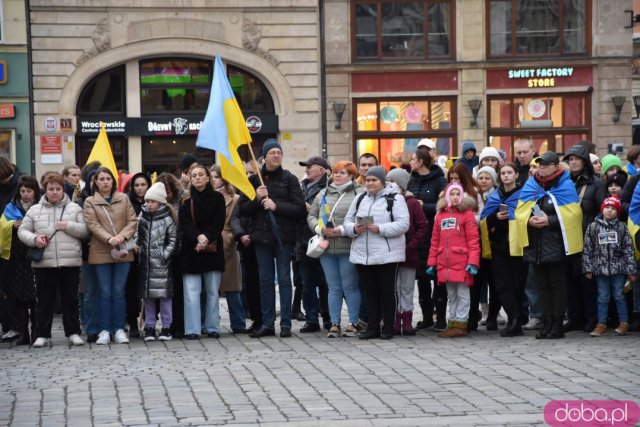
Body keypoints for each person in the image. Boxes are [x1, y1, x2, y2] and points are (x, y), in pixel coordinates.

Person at [238, 139, 306, 338]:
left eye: (279, 152)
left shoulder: (289, 179)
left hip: (283, 238)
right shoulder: (253, 181)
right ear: (264, 157)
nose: (276, 155)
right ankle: (267, 323)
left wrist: (276, 206)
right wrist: (257, 199)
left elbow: (299, 209)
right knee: (265, 281)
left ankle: (285, 323)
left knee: (284, 280)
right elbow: (243, 209)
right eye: (272, 152)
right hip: (262, 238)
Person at [515, 151, 583, 340]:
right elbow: (521, 210)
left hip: (557, 244)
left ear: (556, 166)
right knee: (542, 286)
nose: (542, 168)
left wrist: (550, 221)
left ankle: (557, 325)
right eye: (540, 165)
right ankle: (546, 323)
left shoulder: (566, 185)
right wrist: (529, 220)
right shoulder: (532, 184)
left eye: (545, 165)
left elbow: (573, 214)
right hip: (535, 245)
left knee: (557, 284)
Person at [18, 172, 88, 347]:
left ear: (63, 189)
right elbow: (23, 231)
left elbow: (85, 231)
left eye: (58, 188)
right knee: (44, 299)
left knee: (70, 299)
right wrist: (35, 239)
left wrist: (68, 226)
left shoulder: (74, 208)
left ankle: (73, 332)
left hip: (69, 260)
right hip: (44, 262)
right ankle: (42, 334)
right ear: (45, 190)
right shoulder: (35, 210)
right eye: (51, 189)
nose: (54, 192)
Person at [342, 166, 409, 340]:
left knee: (387, 291)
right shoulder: (360, 198)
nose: (370, 183)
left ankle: (388, 326)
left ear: (383, 181)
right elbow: (347, 221)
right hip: (362, 254)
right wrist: (354, 229)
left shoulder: (395, 198)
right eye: (368, 180)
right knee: (370, 292)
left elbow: (403, 224)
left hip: (387, 254)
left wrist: (380, 228)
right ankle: (372, 327)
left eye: (374, 180)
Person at [308, 160, 364, 338]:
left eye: (342, 172)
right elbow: (312, 215)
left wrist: (341, 230)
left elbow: (363, 219)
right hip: (326, 248)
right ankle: (334, 324)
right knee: (333, 287)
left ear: (351, 175)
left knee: (350, 286)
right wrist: (320, 229)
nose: (337, 175)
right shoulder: (323, 193)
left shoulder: (359, 193)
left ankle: (354, 322)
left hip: (348, 246)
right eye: (335, 172)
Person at [83, 167, 138, 345]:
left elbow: (132, 221)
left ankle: (119, 328)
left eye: (108, 179)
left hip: (122, 249)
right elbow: (92, 224)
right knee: (104, 291)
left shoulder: (124, 198)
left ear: (113, 181)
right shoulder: (90, 201)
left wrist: (121, 236)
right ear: (96, 182)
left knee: (118, 291)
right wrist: (109, 239)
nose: (105, 182)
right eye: (102, 179)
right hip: (100, 250)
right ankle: (105, 329)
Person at [562, 143, 607, 333]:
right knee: (570, 282)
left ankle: (591, 318)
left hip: (589, 238)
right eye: (570, 159)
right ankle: (575, 317)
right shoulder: (564, 182)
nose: (573, 162)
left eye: (576, 159)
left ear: (584, 162)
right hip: (568, 237)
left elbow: (603, 211)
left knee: (588, 282)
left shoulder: (596, 184)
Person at [427, 183, 480, 338]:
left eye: (458, 194)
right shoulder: (441, 215)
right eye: (452, 194)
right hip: (445, 263)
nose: (455, 197)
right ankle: (453, 322)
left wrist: (473, 262)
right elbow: (435, 240)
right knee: (451, 294)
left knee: (463, 294)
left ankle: (461, 323)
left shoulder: (467, 214)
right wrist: (432, 262)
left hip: (462, 261)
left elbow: (473, 241)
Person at [178, 164, 226, 339]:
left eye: (201, 175)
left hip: (212, 249)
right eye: (194, 175)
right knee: (191, 293)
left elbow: (218, 221)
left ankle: (213, 327)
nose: (197, 178)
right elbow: (184, 223)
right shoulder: (185, 200)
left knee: (213, 292)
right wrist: (198, 237)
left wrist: (205, 238)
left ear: (208, 178)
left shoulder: (218, 198)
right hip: (191, 251)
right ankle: (192, 329)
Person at [480, 163, 527, 337]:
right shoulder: (494, 196)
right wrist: (495, 217)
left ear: (515, 175)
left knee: (517, 285)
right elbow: (485, 219)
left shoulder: (523, 195)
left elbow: (529, 215)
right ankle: (514, 321)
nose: (506, 176)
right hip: (499, 246)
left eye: (509, 172)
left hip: (518, 246)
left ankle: (516, 321)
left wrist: (512, 217)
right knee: (502, 286)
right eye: (503, 173)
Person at [582, 197, 636, 337]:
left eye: (613, 208)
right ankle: (601, 323)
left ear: (617, 212)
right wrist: (588, 268)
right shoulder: (593, 227)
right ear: (602, 209)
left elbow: (628, 250)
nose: (610, 210)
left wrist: (631, 270)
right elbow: (588, 249)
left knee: (619, 295)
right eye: (607, 207)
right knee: (602, 297)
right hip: (600, 269)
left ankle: (624, 322)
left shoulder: (622, 228)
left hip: (618, 269)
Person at [407, 147, 447, 331]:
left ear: (421, 162)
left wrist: (424, 206)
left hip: (435, 235)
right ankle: (426, 317)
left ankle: (440, 317)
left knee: (438, 278)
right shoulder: (412, 181)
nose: (410, 162)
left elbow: (444, 206)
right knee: (421, 278)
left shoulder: (439, 180)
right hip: (417, 236)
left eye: (413, 159)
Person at [386, 167, 427, 336]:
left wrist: (412, 245)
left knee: (407, 288)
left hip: (408, 254)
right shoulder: (385, 201)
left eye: (393, 182)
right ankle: (395, 321)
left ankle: (407, 320)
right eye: (388, 181)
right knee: (393, 288)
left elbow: (422, 226)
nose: (390, 185)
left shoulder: (412, 203)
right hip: (390, 255)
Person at [0, 176, 41, 345]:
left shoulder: (41, 206)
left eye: (29, 191)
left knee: (35, 296)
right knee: (18, 297)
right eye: (23, 191)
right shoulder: (10, 207)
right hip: (15, 257)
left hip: (35, 254)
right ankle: (23, 332)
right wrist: (12, 225)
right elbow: (2, 226)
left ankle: (37, 332)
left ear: (35, 192)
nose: (25, 194)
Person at [136, 182, 177, 341]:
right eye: (147, 201)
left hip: (162, 265)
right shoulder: (143, 219)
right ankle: (150, 327)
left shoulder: (167, 219)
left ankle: (167, 327)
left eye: (152, 201)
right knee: (148, 298)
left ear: (160, 202)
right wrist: (138, 248)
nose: (149, 204)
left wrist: (164, 255)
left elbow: (173, 240)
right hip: (146, 265)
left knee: (165, 297)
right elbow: (139, 237)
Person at [210, 164, 246, 334]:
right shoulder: (206, 197)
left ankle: (238, 323)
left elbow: (237, 221)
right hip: (210, 244)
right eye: (211, 177)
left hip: (228, 246)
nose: (213, 180)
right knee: (210, 289)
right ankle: (210, 323)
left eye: (216, 177)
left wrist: (230, 238)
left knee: (232, 288)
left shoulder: (235, 199)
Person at [296, 156, 330, 333]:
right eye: (306, 166)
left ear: (322, 170)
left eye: (310, 167)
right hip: (303, 241)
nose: (307, 169)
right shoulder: (301, 187)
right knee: (306, 283)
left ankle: (328, 317)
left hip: (322, 240)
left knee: (325, 282)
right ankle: (311, 319)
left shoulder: (328, 188)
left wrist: (310, 209)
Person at [155, 172, 186, 337]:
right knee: (166, 292)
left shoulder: (182, 200)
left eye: (168, 190)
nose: (167, 194)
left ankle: (179, 325)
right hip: (162, 253)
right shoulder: (156, 203)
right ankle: (168, 324)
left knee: (179, 291)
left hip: (179, 251)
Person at [124, 172, 152, 338]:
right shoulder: (128, 203)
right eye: (137, 185)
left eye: (143, 185)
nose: (140, 188)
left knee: (149, 288)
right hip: (132, 252)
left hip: (150, 252)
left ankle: (149, 320)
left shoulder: (154, 203)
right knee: (131, 289)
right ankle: (133, 322)